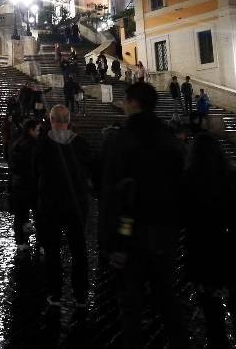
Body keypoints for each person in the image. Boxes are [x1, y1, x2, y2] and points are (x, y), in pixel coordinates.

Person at [99, 81, 189, 349]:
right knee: (168, 300)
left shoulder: (121, 139)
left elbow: (113, 195)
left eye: (126, 101)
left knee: (131, 306)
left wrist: (113, 241)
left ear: (133, 102)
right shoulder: (170, 139)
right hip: (165, 233)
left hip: (131, 235)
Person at [183, 133, 236, 349]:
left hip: (204, 252)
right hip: (234, 249)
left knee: (212, 317)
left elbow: (179, 217)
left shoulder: (187, 180)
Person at [36, 104, 93, 308]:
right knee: (78, 250)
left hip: (50, 204)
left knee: (52, 251)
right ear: (68, 121)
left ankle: (55, 292)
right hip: (76, 204)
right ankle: (80, 294)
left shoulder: (41, 145)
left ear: (51, 120)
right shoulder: (82, 144)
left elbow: (35, 174)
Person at [10, 118, 39, 252]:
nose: (39, 132)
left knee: (20, 214)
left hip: (18, 184)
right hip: (31, 185)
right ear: (31, 130)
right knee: (39, 214)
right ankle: (41, 242)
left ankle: (21, 241)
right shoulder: (33, 145)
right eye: (37, 129)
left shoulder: (17, 143)